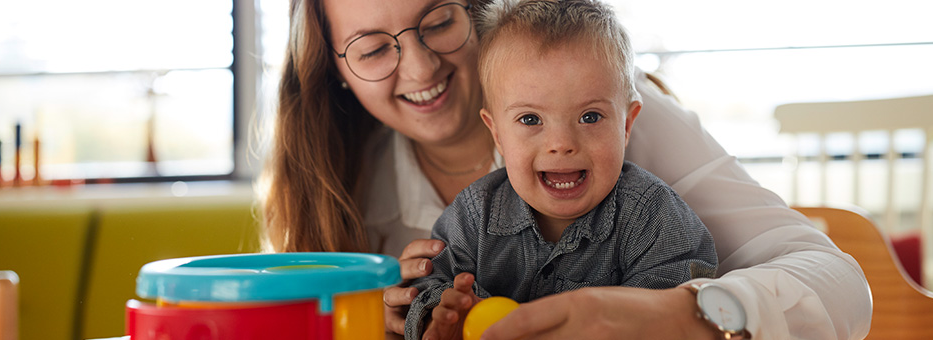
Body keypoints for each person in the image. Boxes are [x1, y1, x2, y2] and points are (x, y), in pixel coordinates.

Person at [259, 0, 872, 338]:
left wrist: (681, 315)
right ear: (334, 68)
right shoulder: (342, 186)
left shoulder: (613, 118)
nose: (419, 69)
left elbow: (841, 285)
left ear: (474, 12)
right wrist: (412, 320)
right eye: (372, 49)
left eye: (439, 21)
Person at [403, 2, 718, 339]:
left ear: (626, 125)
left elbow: (678, 313)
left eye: (590, 117)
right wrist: (441, 315)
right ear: (497, 133)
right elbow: (427, 287)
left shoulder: (654, 219)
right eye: (530, 119)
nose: (561, 143)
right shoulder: (472, 215)